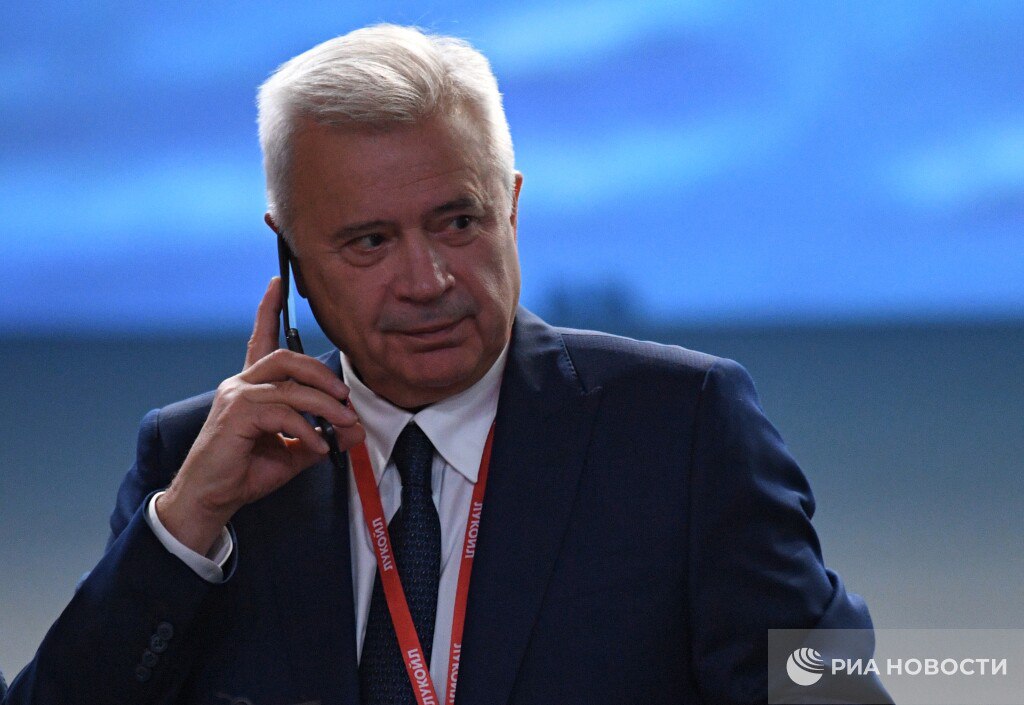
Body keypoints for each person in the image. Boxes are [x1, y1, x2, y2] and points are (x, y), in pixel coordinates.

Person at [4, 24, 890, 705]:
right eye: (370, 241)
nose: (427, 281)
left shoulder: (682, 428)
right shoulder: (193, 466)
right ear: (292, 259)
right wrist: (188, 522)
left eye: (458, 222)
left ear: (511, 209)